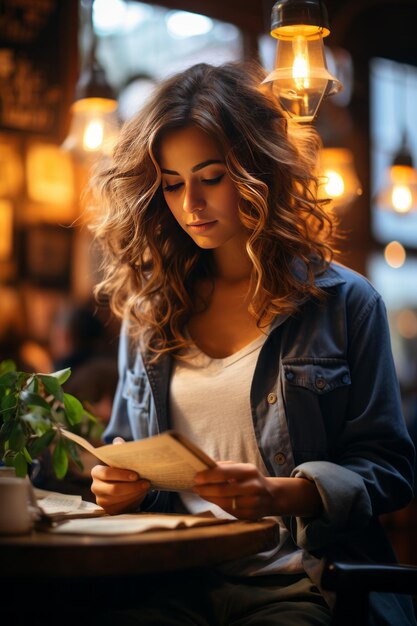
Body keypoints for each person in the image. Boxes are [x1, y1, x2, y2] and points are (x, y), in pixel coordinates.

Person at [88, 61, 416, 626]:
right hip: (173, 581)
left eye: (210, 176)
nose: (190, 202)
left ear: (256, 168)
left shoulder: (344, 303)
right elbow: (124, 449)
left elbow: (389, 470)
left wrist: (282, 494)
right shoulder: (151, 312)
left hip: (299, 584)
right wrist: (115, 484)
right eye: (171, 184)